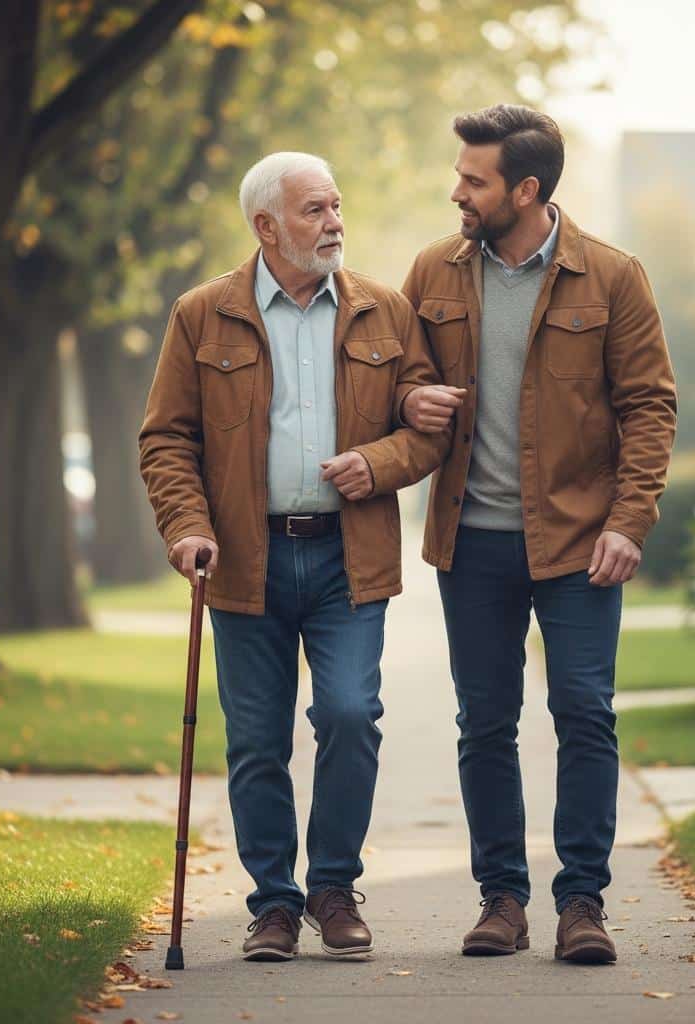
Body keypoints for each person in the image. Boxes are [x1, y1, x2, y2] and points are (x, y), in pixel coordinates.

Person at [139, 151, 449, 962]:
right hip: (244, 560)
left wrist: (376, 465)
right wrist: (186, 527)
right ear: (266, 226)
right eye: (315, 209)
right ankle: (272, 904)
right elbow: (167, 438)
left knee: (350, 715)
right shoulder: (201, 315)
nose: (335, 222)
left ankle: (333, 887)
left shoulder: (386, 311)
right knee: (255, 740)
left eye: (337, 205)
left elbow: (428, 428)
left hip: (351, 557)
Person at [400, 105, 678, 963]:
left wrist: (630, 523)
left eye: (474, 180)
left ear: (526, 189)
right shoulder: (433, 273)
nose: (458, 192)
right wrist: (411, 399)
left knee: (584, 713)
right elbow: (399, 376)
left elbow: (650, 406)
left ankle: (582, 904)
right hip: (472, 542)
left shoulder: (612, 276)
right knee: (485, 722)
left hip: (579, 544)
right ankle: (502, 901)